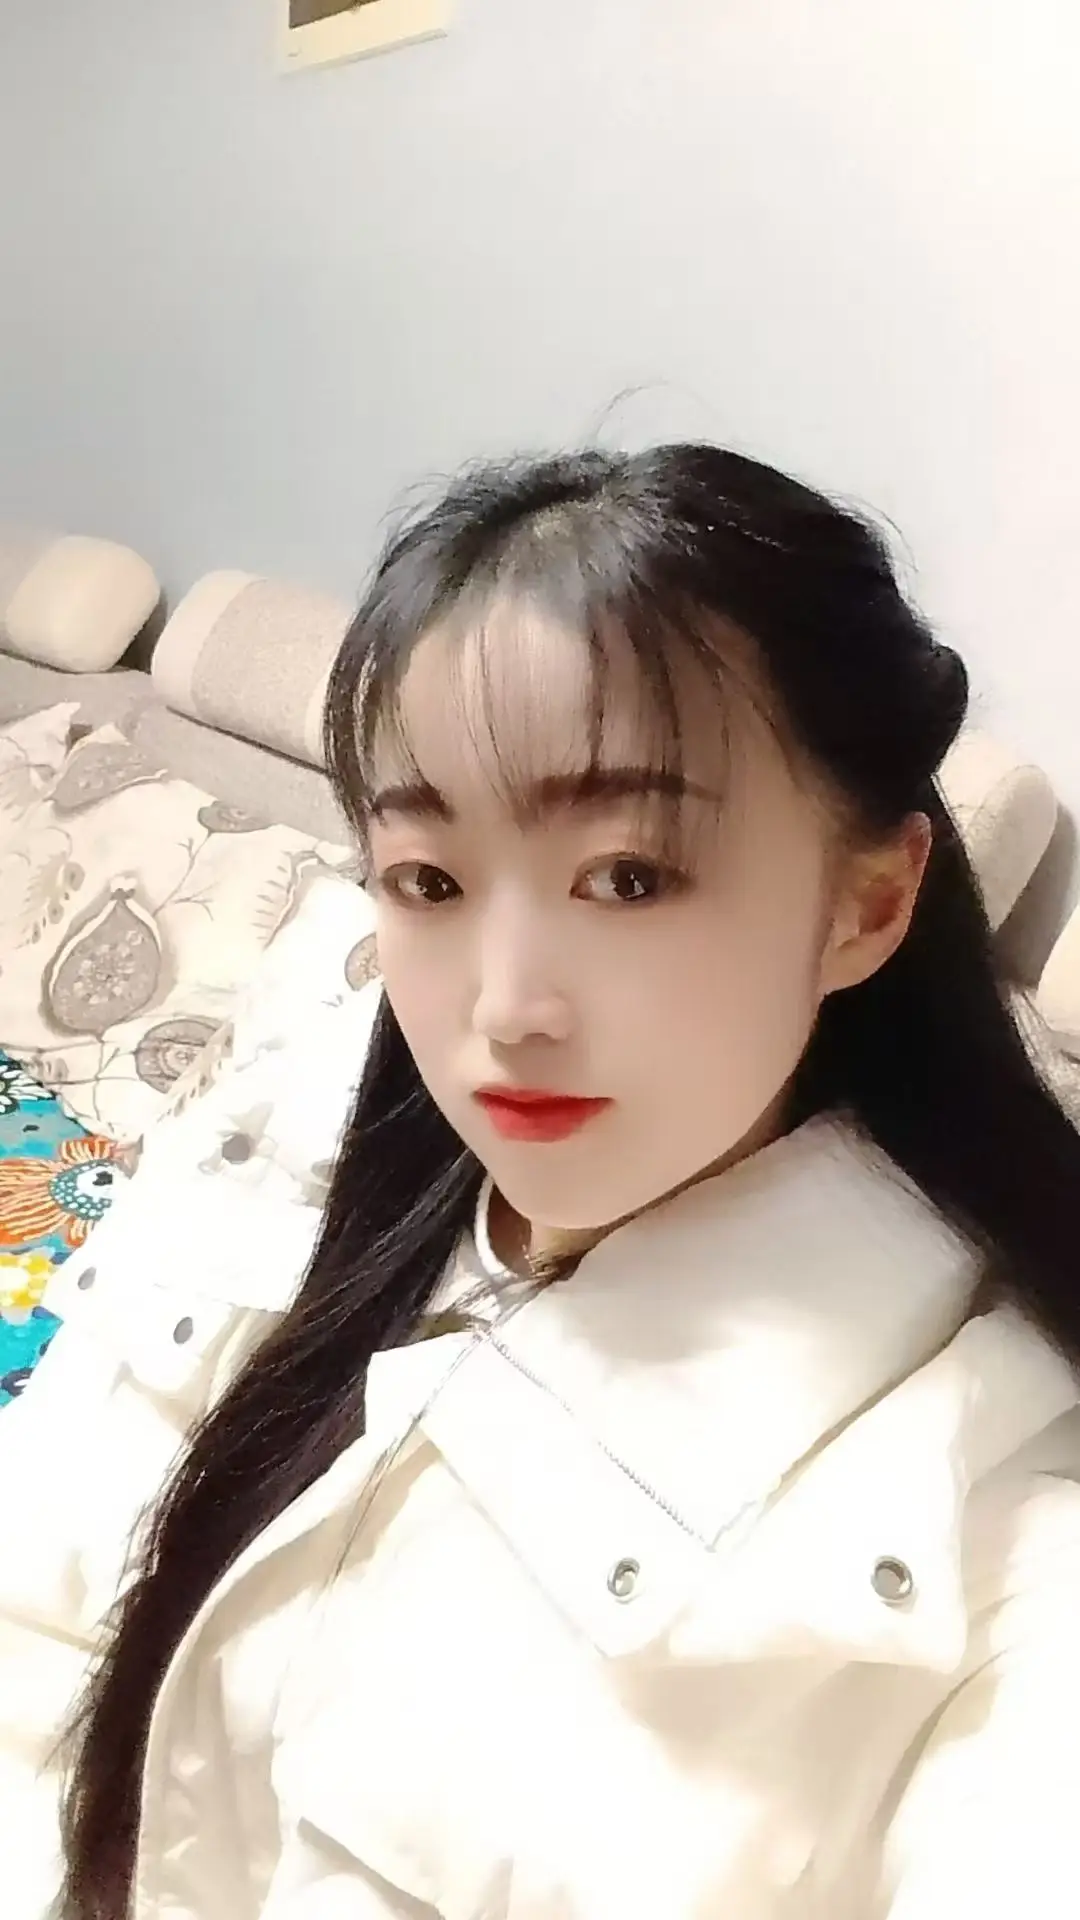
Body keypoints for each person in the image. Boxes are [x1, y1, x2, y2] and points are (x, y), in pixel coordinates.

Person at [56, 446, 1080, 1918]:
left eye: (629, 877)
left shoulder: (988, 1524)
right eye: (429, 880)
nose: (505, 1009)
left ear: (868, 903)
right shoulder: (298, 1112)